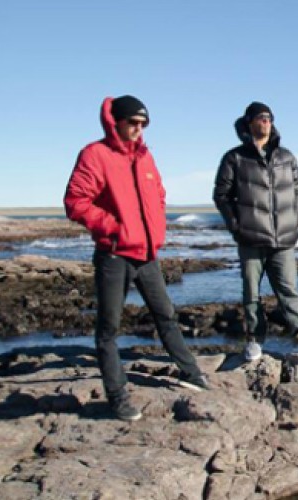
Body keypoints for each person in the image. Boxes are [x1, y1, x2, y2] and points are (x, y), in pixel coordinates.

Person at [64, 95, 210, 422]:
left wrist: (155, 227)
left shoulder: (145, 158)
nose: (138, 128)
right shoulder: (95, 155)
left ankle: (190, 372)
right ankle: (117, 397)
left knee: (166, 314)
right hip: (114, 255)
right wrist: (115, 229)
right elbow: (75, 201)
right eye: (133, 122)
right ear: (115, 121)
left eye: (143, 123)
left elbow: (158, 194)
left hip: (147, 255)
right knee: (109, 328)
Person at [213, 102, 298, 360]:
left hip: (284, 238)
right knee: (251, 292)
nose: (266, 121)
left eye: (269, 118)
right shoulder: (235, 158)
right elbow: (221, 195)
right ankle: (254, 340)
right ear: (249, 122)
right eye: (261, 118)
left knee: (289, 290)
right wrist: (236, 225)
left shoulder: (286, 157)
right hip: (251, 237)